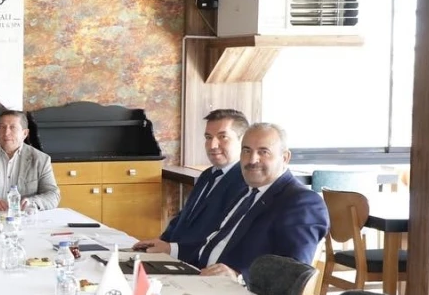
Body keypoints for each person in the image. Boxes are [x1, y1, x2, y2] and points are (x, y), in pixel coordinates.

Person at [175, 122, 329, 283]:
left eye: (263, 152)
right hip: (201, 278)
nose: (252, 159)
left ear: (285, 158)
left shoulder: (302, 202)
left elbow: (294, 271)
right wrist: (171, 250)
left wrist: (239, 277)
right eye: (247, 151)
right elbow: (214, 244)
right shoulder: (246, 191)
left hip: (241, 292)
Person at [133, 109, 249, 253]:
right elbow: (185, 217)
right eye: (208, 137)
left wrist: (172, 249)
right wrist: (162, 241)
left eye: (223, 137)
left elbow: (222, 236)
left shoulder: (246, 182)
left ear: (244, 140)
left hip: (200, 260)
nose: (212, 145)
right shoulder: (208, 175)